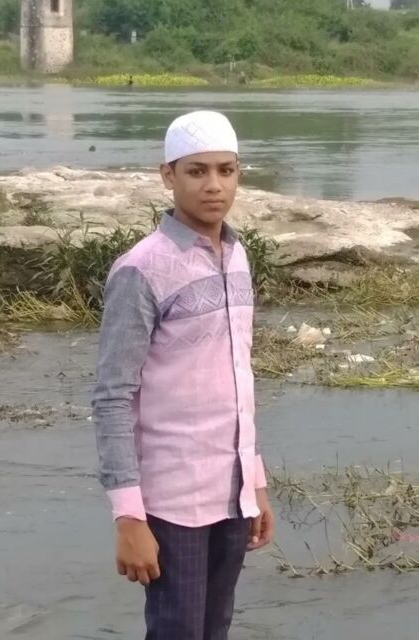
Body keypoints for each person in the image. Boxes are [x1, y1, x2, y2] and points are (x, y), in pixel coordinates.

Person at [92, 110, 275, 640]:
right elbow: (112, 396)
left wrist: (255, 483)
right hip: (172, 500)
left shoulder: (237, 256)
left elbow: (237, 378)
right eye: (197, 171)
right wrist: (128, 516)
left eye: (226, 170)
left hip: (231, 490)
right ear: (168, 176)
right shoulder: (141, 268)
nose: (214, 185)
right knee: (177, 630)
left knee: (215, 628)